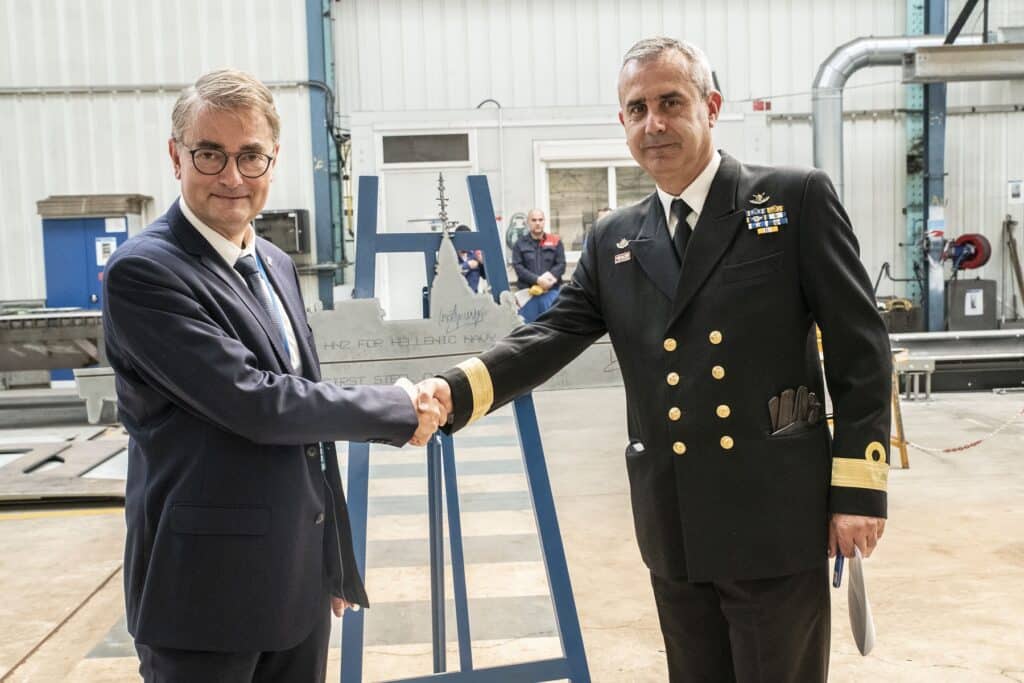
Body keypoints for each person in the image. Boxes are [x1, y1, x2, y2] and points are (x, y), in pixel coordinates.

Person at [419, 37, 891, 682]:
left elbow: (860, 348)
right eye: (637, 109)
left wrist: (859, 490)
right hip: (675, 519)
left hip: (773, 515)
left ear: (710, 107)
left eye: (670, 102)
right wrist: (455, 390)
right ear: (623, 122)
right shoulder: (615, 237)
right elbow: (551, 334)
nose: (654, 124)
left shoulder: (792, 199)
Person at [102, 68, 445, 683]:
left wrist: (330, 559)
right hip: (203, 597)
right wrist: (397, 407)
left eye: (250, 156)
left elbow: (307, 439)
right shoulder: (145, 273)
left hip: (295, 584)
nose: (232, 177)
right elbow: (257, 404)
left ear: (273, 160)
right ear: (176, 156)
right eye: (210, 154)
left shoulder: (274, 263)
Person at [512, 208, 566, 322]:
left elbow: (561, 264)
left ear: (544, 221)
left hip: (550, 294)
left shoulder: (555, 241)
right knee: (528, 329)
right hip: (528, 296)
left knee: (552, 327)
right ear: (528, 222)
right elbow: (518, 267)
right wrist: (537, 280)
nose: (537, 223)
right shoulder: (520, 244)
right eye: (534, 220)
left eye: (540, 220)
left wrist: (548, 279)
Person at [454, 224, 486, 292]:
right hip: (456, 296)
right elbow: (449, 276)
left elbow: (485, 276)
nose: (466, 243)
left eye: (468, 240)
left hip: (473, 296)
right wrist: (467, 265)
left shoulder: (474, 255)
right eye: (464, 240)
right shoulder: (451, 256)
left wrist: (482, 263)